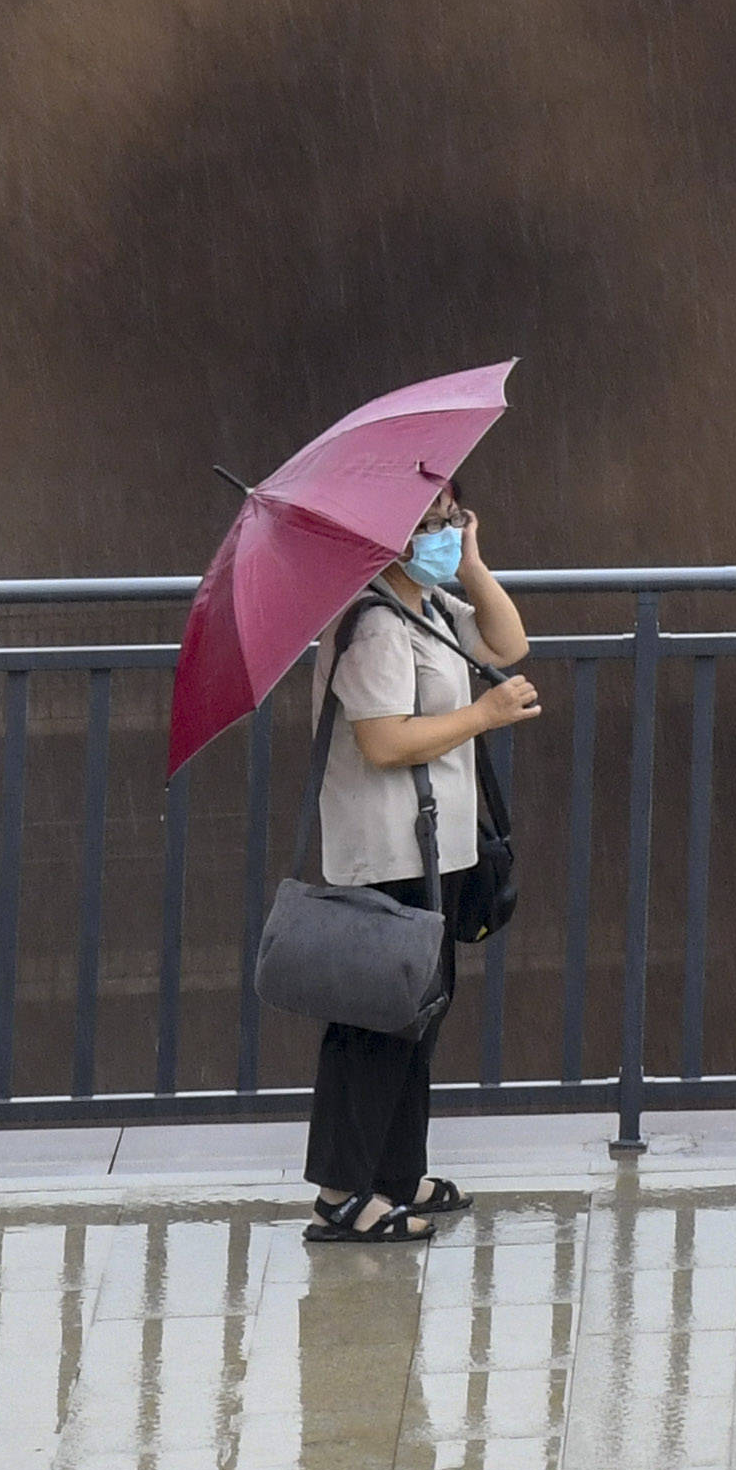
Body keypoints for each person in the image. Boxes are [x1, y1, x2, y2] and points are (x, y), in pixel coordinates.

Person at [305, 488, 541, 1246]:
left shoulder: (427, 605)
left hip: (431, 851)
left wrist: (471, 562)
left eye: (449, 517)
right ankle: (343, 1193)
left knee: (418, 1018)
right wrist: (485, 715)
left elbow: (507, 644)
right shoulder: (374, 623)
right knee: (375, 1024)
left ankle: (395, 1176)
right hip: (384, 851)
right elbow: (383, 741)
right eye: (426, 522)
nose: (439, 532)